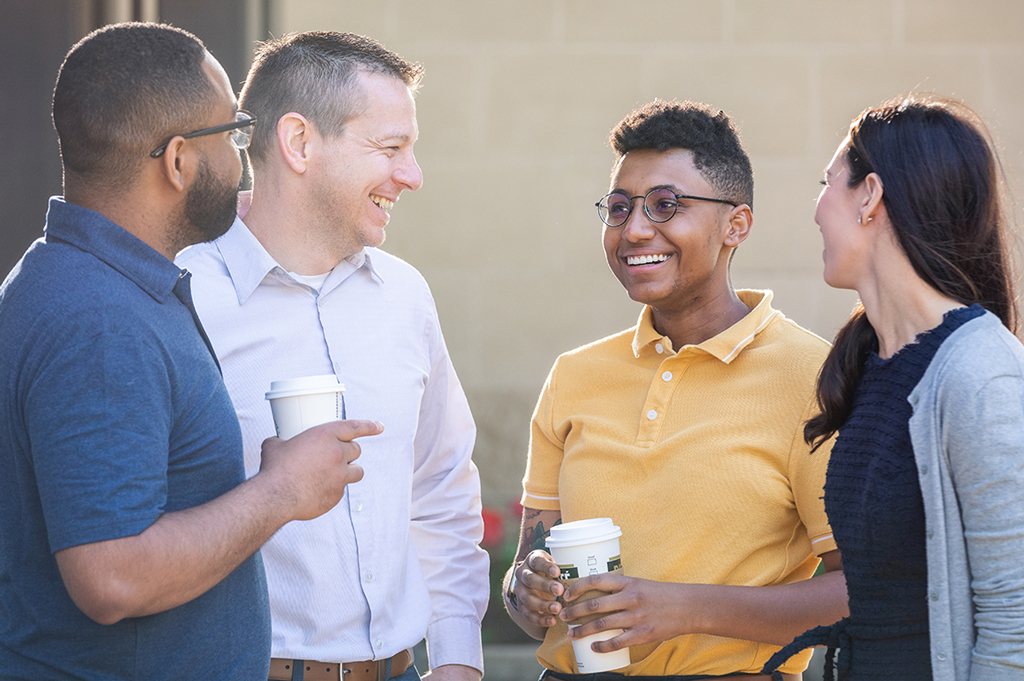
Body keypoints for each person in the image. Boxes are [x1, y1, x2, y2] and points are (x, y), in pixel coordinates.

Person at [0, 23, 378, 681]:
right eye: (233, 136)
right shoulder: (100, 321)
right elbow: (110, 575)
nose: (244, 156)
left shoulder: (87, 280)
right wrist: (281, 490)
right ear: (177, 161)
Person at [176, 31, 488, 681]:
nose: (413, 174)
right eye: (391, 147)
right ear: (299, 143)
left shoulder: (405, 295)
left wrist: (459, 658)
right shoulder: (183, 298)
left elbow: (440, 486)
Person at [504, 100, 850, 680]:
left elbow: (859, 595)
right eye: (619, 208)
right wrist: (529, 588)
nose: (635, 229)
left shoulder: (812, 377)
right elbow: (523, 588)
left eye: (666, 205)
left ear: (735, 225)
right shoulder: (574, 374)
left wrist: (680, 608)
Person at [763, 97, 1024, 681]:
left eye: (826, 183)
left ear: (870, 196)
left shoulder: (980, 371)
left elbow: (1015, 623)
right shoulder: (871, 363)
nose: (815, 210)